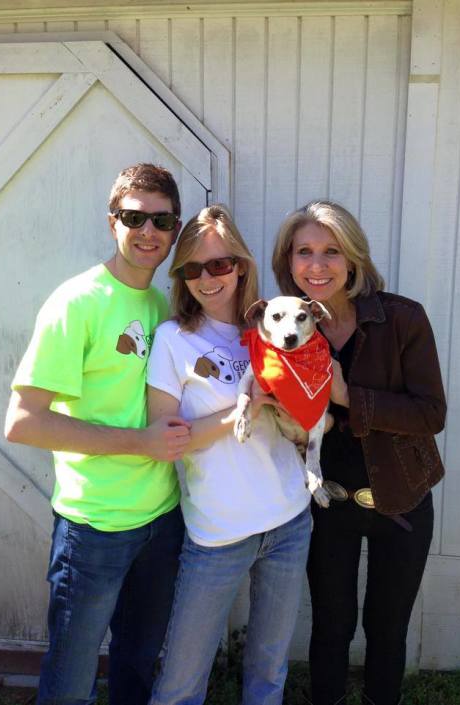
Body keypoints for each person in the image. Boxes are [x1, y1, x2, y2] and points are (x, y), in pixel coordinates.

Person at [4, 163, 191, 705]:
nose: (148, 231)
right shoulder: (77, 302)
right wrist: (140, 443)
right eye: (134, 217)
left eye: (161, 220)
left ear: (175, 230)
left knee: (137, 665)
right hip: (94, 529)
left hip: (161, 520)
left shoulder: (163, 306)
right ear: (113, 222)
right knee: (71, 677)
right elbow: (22, 420)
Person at [272, 201, 446, 705]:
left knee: (386, 629)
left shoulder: (402, 319)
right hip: (327, 502)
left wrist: (349, 397)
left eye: (332, 251)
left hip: (400, 499)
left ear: (354, 259)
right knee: (331, 626)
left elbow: (431, 413)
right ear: (289, 261)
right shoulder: (287, 324)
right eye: (304, 252)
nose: (317, 265)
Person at [146, 205, 312, 705]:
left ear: (240, 264)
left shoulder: (277, 322)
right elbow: (163, 436)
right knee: (179, 684)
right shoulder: (174, 340)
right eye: (192, 268)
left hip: (289, 521)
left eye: (219, 264)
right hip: (216, 534)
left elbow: (308, 409)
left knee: (267, 672)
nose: (207, 278)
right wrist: (244, 410)